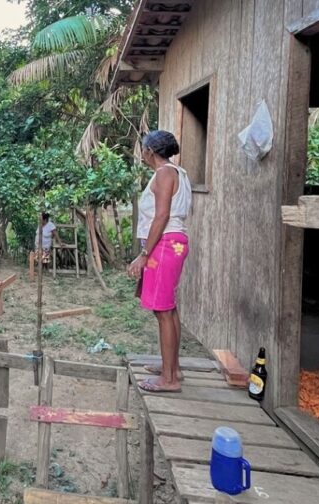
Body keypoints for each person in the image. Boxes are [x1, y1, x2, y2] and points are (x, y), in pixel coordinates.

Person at [127, 130, 192, 393]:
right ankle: (172, 368)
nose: (141, 152)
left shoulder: (165, 173)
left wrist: (144, 255)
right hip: (170, 243)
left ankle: (169, 379)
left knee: (163, 311)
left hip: (165, 245)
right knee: (167, 308)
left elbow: (161, 215)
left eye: (143, 147)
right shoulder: (178, 172)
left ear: (150, 151)